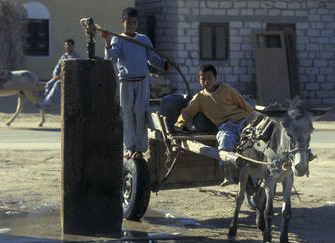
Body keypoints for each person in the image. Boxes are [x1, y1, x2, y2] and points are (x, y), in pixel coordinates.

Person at [100, 7, 170, 160]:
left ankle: (139, 148)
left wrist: (164, 64)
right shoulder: (118, 39)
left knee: (140, 113)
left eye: (134, 22)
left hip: (142, 81)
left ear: (137, 23)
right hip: (126, 81)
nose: (131, 25)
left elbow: (152, 58)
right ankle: (128, 147)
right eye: (128, 22)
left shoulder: (143, 40)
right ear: (122, 23)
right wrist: (107, 41)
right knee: (127, 113)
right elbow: (111, 58)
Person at [173, 64, 254, 187]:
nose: (206, 81)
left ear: (215, 78)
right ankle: (228, 175)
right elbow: (187, 113)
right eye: (203, 79)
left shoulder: (227, 89)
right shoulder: (199, 98)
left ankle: (255, 174)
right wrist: (178, 125)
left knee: (252, 139)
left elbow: (243, 104)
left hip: (241, 120)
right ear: (199, 80)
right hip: (225, 126)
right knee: (224, 140)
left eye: (209, 78)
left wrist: (254, 117)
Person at [36, 38, 81, 111]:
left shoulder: (76, 57)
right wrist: (55, 75)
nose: (67, 47)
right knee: (49, 84)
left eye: (69, 45)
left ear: (73, 46)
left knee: (58, 84)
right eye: (66, 45)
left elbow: (75, 71)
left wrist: (61, 76)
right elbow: (57, 68)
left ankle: (45, 104)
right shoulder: (63, 57)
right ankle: (48, 104)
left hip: (71, 81)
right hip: (61, 78)